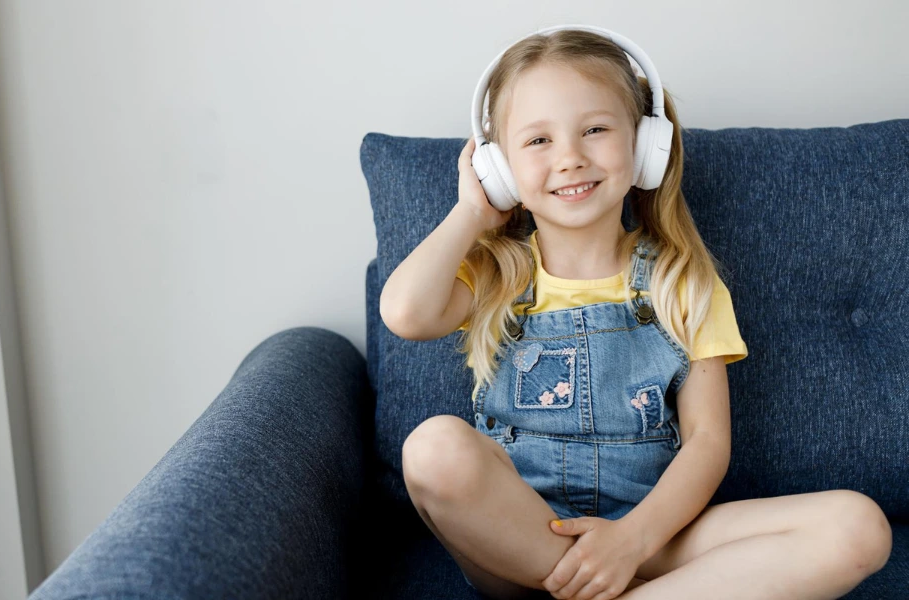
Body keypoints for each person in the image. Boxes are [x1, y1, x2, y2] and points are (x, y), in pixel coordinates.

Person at [379, 25, 892, 600]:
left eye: (595, 129)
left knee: (857, 527)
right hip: (518, 540)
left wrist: (630, 542)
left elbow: (706, 443)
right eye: (537, 141)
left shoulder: (684, 284)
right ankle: (585, 579)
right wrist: (471, 212)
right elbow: (404, 313)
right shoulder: (497, 275)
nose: (570, 158)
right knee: (431, 448)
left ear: (646, 147)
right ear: (500, 170)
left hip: (649, 535)